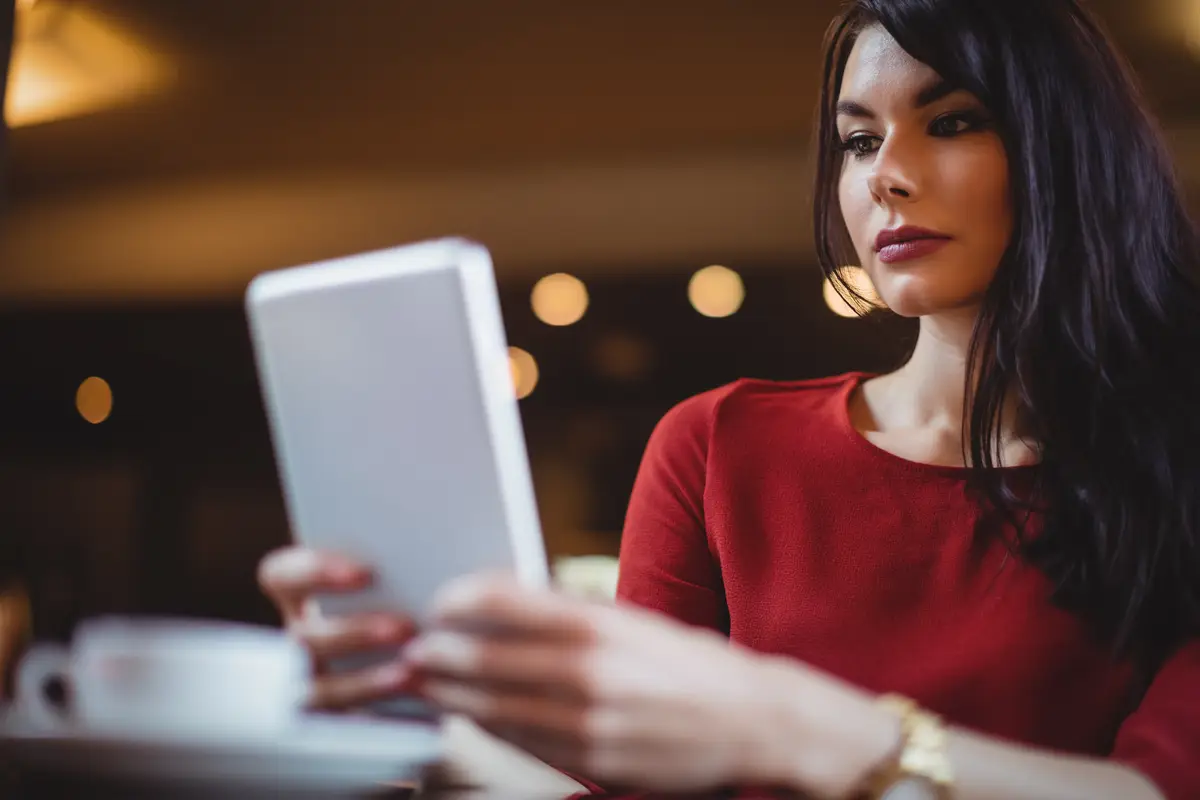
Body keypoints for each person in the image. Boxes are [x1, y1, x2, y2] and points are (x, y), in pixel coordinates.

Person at [258, 0, 1200, 797]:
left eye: (949, 120)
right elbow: (615, 785)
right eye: (859, 139)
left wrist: (788, 724)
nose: (885, 175)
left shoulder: (1178, 468)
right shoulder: (719, 444)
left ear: (1065, 150)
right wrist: (425, 707)